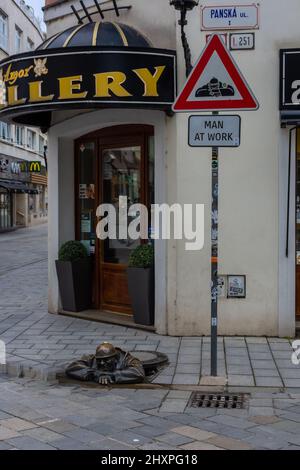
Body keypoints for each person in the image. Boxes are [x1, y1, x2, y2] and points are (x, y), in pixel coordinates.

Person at [65, 342, 145, 385]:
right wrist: (96, 373)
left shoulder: (128, 359)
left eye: (106, 360)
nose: (102, 363)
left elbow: (138, 373)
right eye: (99, 360)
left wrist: (111, 375)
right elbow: (72, 367)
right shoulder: (92, 358)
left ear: (115, 357)